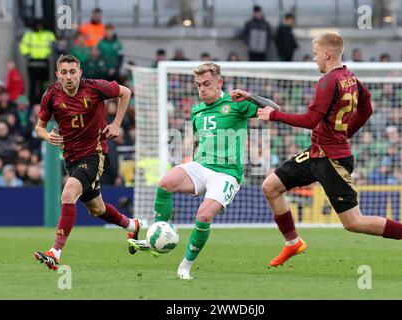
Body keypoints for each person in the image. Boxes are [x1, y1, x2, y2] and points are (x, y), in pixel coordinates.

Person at [231, 32, 402, 267]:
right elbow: (366, 108)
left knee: (353, 222)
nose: (314, 59)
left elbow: (310, 120)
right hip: (317, 153)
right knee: (271, 186)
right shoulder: (351, 78)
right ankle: (293, 242)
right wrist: (345, 133)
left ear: (327, 53)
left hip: (332, 160)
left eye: (315, 54)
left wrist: (274, 116)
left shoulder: (328, 81)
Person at [128, 62, 279, 279]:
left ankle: (185, 266)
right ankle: (157, 235)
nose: (202, 89)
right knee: (165, 183)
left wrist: (249, 96)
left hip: (226, 174)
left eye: (206, 84)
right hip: (201, 165)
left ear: (219, 83)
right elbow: (202, 139)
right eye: (198, 85)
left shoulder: (236, 104)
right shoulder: (197, 111)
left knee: (204, 215)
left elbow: (276, 109)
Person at [33, 54, 141, 270]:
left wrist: (116, 123)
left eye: (73, 72)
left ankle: (55, 252)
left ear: (80, 72)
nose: (69, 77)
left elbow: (125, 92)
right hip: (71, 158)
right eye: (64, 72)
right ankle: (132, 224)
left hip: (95, 153)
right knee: (96, 209)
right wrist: (47, 136)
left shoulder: (94, 88)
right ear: (58, 75)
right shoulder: (51, 95)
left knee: (68, 193)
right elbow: (39, 126)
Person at [18, 19, 56, 105]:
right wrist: (27, 55)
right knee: (33, 85)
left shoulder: (48, 34)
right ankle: (33, 104)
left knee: (45, 84)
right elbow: (22, 45)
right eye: (37, 25)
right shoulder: (29, 35)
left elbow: (55, 45)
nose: (39, 27)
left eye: (40, 25)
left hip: (45, 62)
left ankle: (44, 102)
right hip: (33, 62)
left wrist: (51, 55)